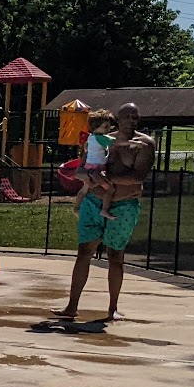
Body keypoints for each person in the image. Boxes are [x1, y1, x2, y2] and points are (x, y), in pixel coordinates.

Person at [57, 100, 154, 323]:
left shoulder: (144, 144)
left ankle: (112, 308)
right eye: (127, 116)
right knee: (84, 251)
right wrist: (91, 177)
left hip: (124, 205)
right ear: (117, 119)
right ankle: (72, 306)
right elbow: (81, 170)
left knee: (115, 256)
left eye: (135, 117)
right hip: (93, 201)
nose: (131, 120)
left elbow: (137, 177)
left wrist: (105, 178)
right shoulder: (99, 140)